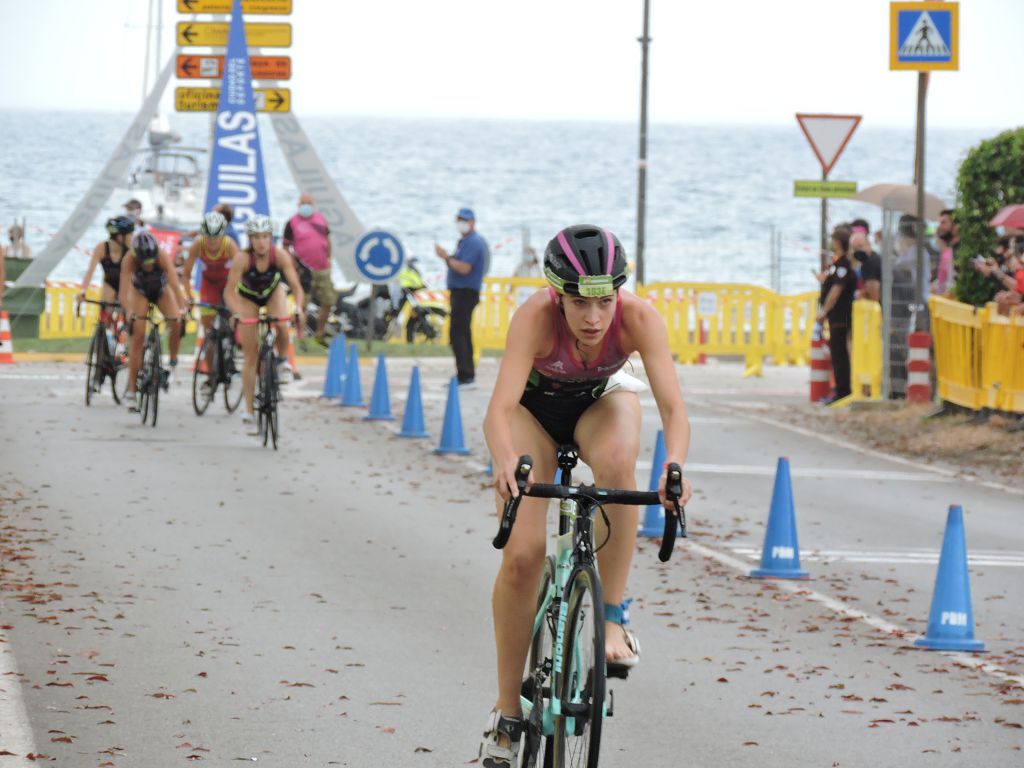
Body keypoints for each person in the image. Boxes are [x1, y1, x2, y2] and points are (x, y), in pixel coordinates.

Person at [479, 224, 693, 767]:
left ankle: (612, 613)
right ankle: (507, 713)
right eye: (578, 303)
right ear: (557, 294)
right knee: (524, 557)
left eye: (603, 300)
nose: (593, 317)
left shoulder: (639, 319)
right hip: (534, 414)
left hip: (602, 404)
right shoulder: (534, 317)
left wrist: (675, 467)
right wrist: (506, 461)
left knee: (620, 467)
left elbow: (674, 409)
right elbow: (499, 411)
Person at [224, 215, 305, 432]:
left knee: (281, 323)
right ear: (250, 239)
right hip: (248, 296)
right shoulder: (242, 258)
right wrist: (236, 313)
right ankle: (249, 410)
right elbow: (229, 291)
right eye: (257, 237)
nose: (261, 242)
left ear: (271, 238)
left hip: (272, 292)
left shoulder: (279, 256)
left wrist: (298, 308)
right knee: (250, 356)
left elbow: (296, 287)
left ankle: (281, 360)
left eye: (266, 237)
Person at [120, 230, 187, 411]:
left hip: (160, 289)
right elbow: (124, 292)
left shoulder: (162, 256)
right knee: (138, 336)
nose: (148, 266)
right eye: (145, 263)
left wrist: (182, 307)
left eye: (151, 262)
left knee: (176, 321)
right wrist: (128, 313)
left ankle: (173, 362)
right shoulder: (129, 260)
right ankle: (132, 391)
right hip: (139, 291)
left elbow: (174, 284)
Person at [183, 211, 240, 389]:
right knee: (208, 333)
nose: (212, 242)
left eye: (215, 238)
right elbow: (185, 275)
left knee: (233, 318)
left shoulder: (229, 246)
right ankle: (211, 375)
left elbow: (240, 273)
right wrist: (189, 297)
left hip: (229, 284)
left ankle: (233, 346)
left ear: (222, 235)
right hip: (209, 286)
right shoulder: (197, 245)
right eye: (208, 237)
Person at [435, 207, 489, 388]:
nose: (461, 223)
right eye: (459, 219)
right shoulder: (465, 241)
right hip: (460, 292)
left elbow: (464, 268)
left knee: (460, 334)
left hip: (466, 292)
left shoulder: (474, 242)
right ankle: (463, 374)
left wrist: (446, 257)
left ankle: (466, 376)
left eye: (465, 220)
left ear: (473, 222)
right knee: (460, 333)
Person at [282, 193, 335, 346]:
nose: (306, 206)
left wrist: (329, 258)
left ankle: (319, 332)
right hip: (304, 270)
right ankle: (301, 336)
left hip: (323, 268)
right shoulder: (291, 223)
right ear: (298, 205)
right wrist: (292, 263)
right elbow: (285, 246)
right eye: (303, 203)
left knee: (328, 300)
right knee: (302, 304)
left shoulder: (320, 219)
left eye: (308, 203)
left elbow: (327, 239)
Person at [816, 225, 858, 404]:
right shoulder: (836, 263)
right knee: (836, 353)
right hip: (834, 317)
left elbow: (836, 290)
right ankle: (839, 388)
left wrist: (824, 310)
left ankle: (843, 390)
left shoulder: (843, 265)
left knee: (840, 353)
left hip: (840, 316)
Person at [77, 215, 136, 327]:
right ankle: (104, 333)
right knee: (104, 318)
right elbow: (90, 272)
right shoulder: (101, 248)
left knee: (131, 319)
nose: (132, 237)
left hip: (127, 285)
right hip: (109, 284)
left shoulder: (132, 251)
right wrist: (83, 291)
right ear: (120, 236)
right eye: (130, 234)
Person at [849, 219, 881, 303]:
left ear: (869, 244)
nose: (858, 251)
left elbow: (874, 297)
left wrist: (862, 295)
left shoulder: (869, 263)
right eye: (854, 248)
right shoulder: (875, 257)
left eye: (860, 246)